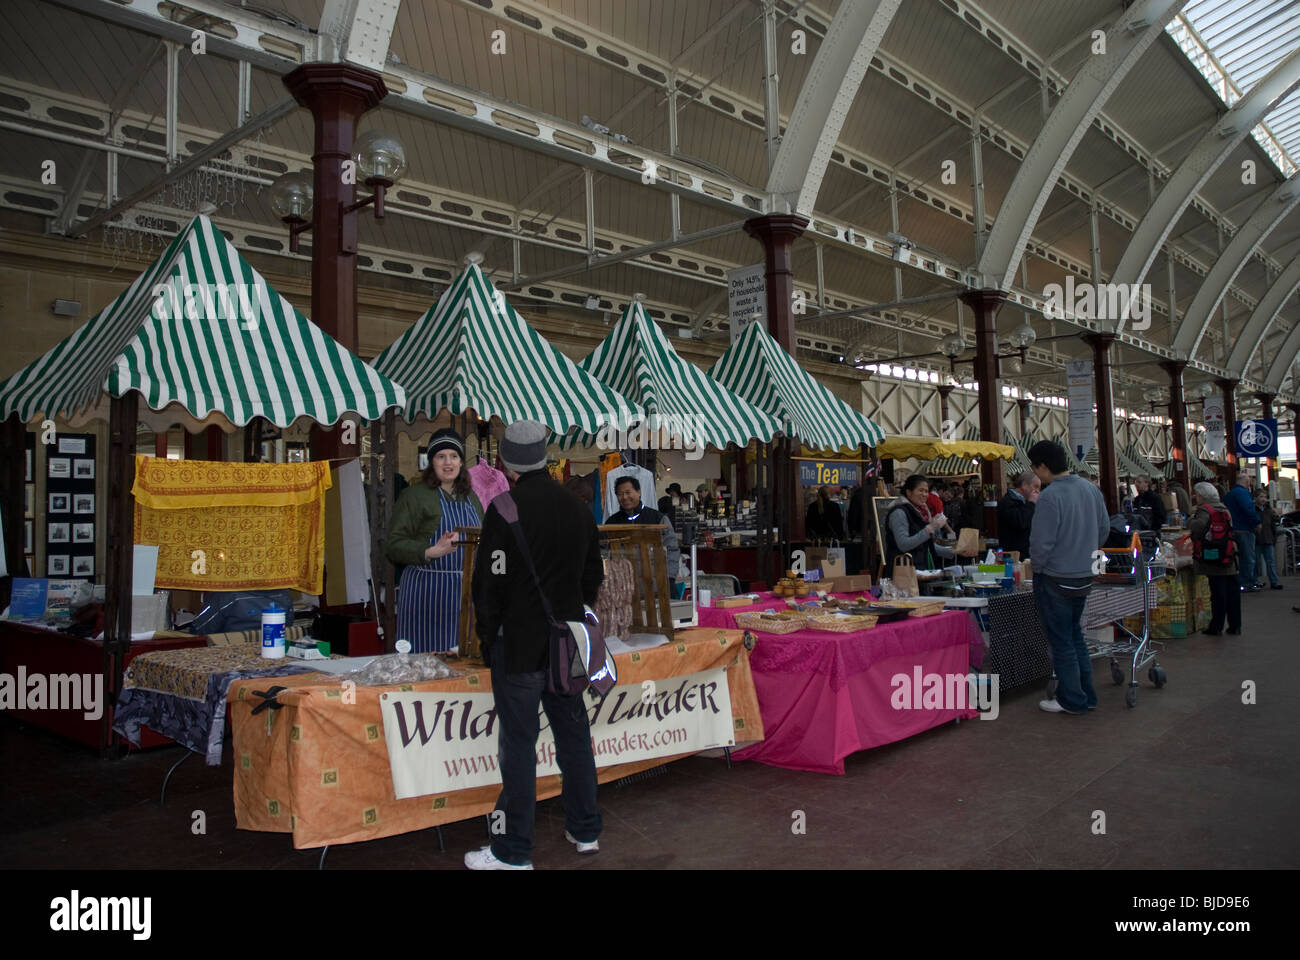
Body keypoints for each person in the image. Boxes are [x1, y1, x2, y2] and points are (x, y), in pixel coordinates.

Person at [466, 420, 604, 870]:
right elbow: (592, 579)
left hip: (519, 648)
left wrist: (489, 639)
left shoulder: (503, 507)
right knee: (574, 736)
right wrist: (567, 610)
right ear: (546, 456)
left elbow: (488, 586)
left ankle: (513, 851)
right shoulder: (579, 508)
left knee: (519, 746)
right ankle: (586, 831)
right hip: (567, 648)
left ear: (505, 461)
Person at [1027, 440, 1110, 715]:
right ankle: (1087, 695)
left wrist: (1037, 567)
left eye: (1034, 467)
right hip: (1085, 575)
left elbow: (1041, 543)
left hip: (1055, 578)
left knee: (1062, 641)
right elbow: (1104, 529)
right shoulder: (1090, 489)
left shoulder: (1050, 496)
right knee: (1076, 637)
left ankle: (1071, 699)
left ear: (1042, 465)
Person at [384, 429, 484, 654]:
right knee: (426, 663)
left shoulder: (471, 498)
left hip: (465, 596)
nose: (448, 462)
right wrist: (430, 551)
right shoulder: (415, 496)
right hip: (426, 595)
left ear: (461, 462)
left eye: (454, 456)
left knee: (462, 662)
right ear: (431, 462)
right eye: (441, 456)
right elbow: (393, 545)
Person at [606, 475, 681, 584]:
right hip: (622, 585)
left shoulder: (658, 519)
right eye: (620, 494)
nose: (624, 497)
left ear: (639, 492)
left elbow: (672, 549)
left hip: (653, 583)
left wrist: (669, 577)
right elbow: (604, 553)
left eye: (628, 492)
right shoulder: (611, 523)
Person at [1191, 481, 1242, 636]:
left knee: (1218, 593)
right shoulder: (1223, 507)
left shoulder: (1204, 510)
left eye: (1196, 494)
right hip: (1228, 554)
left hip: (1212, 556)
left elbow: (1197, 527)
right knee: (1232, 593)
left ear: (1202, 495)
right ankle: (1235, 625)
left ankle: (1216, 625)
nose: (1195, 497)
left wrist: (1188, 520)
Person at [884, 474, 953, 569]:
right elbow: (904, 545)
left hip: (920, 570)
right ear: (908, 492)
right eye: (920, 490)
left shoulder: (922, 512)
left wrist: (954, 552)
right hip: (903, 573)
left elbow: (926, 546)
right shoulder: (899, 513)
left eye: (926, 491)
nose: (924, 495)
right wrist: (929, 529)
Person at [1224, 474, 1261, 592]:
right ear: (1246, 482)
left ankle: (1242, 581)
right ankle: (1248, 582)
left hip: (1232, 528)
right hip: (1245, 528)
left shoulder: (1229, 494)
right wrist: (1257, 522)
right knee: (1248, 557)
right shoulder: (1243, 493)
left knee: (1237, 557)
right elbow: (1249, 509)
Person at [996, 471, 1038, 560]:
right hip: (1014, 556)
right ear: (1024, 485)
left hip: (1027, 554)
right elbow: (1021, 522)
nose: (1037, 491)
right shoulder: (1007, 502)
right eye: (1035, 486)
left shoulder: (1024, 502)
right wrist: (1031, 504)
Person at [1254, 490, 1282, 590]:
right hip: (1257, 539)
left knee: (1271, 561)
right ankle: (1255, 581)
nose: (1263, 499)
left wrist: (1274, 536)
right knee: (1256, 562)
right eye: (1261, 497)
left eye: (1265, 497)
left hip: (1268, 538)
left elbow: (1273, 523)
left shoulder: (1268, 510)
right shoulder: (1253, 509)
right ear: (1255, 498)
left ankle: (1274, 581)